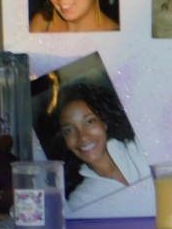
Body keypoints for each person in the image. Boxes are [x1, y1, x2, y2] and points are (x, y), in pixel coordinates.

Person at [42, 83, 149, 212]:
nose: (82, 137)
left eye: (90, 121)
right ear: (64, 140)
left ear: (104, 123)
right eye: (69, 130)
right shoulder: (79, 201)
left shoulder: (144, 148)